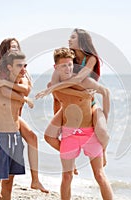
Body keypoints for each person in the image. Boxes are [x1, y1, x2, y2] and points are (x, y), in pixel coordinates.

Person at [0, 38, 47, 198]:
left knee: (31, 137)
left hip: (11, 128)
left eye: (17, 48)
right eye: (12, 48)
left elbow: (24, 89)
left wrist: (22, 97)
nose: (23, 69)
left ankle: (35, 179)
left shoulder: (21, 75)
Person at [37, 47, 113, 200]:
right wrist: (57, 125)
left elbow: (105, 92)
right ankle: (72, 161)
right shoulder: (54, 85)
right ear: (56, 67)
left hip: (90, 134)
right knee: (67, 177)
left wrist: (104, 117)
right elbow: (57, 104)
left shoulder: (84, 81)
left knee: (99, 175)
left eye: (70, 64)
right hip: (69, 135)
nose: (68, 68)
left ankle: (103, 152)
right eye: (64, 65)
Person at [36, 28, 110, 167]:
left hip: (90, 103)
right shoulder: (70, 59)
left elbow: (79, 79)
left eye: (73, 37)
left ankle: (103, 151)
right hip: (70, 103)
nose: (69, 40)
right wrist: (54, 87)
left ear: (82, 41)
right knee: (49, 136)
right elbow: (55, 84)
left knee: (103, 132)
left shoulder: (91, 59)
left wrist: (105, 116)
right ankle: (68, 156)